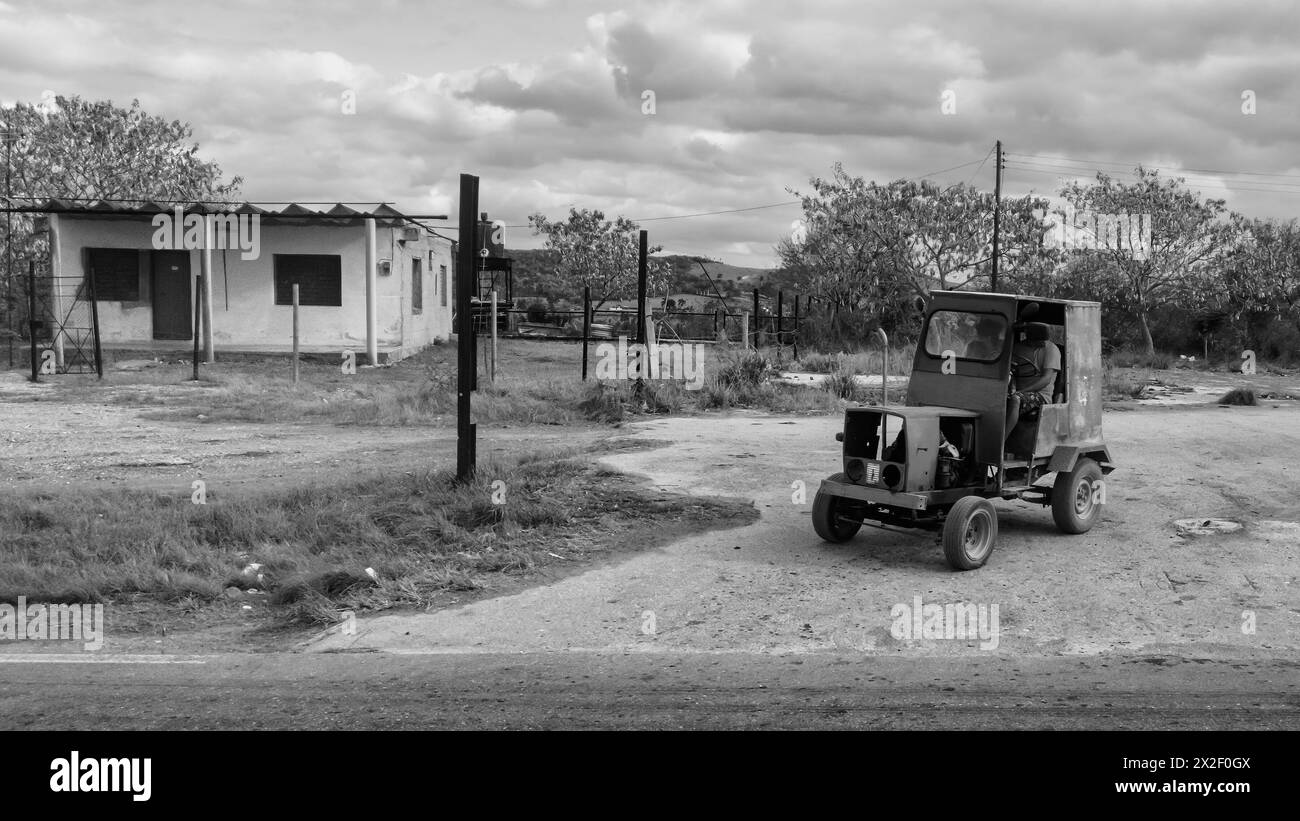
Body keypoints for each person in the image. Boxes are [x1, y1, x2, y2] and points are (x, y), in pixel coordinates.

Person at [1005, 322, 1061, 453]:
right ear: (1029, 337)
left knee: (1015, 400)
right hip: (1016, 390)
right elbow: (1010, 371)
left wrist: (1019, 392)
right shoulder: (1018, 348)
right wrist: (1011, 388)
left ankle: (1001, 441)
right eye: (1038, 341)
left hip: (1040, 395)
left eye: (1043, 341)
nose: (1042, 343)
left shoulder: (1051, 349)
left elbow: (1046, 380)